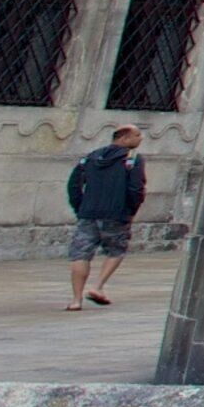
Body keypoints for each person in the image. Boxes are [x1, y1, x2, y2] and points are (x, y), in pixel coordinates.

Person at [65, 126, 144, 310]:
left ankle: (76, 300)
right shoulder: (132, 159)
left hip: (88, 214)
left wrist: (81, 208)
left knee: (80, 254)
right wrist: (130, 210)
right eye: (137, 135)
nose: (141, 138)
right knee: (116, 250)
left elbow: (73, 185)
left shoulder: (91, 157)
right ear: (124, 138)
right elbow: (136, 188)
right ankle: (97, 286)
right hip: (116, 214)